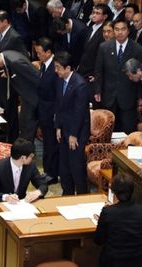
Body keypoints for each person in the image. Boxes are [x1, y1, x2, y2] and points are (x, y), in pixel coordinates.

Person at [94, 19, 142, 133]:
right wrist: (97, 90)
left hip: (128, 97)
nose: (120, 32)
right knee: (107, 131)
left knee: (127, 131)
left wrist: (140, 96)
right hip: (108, 96)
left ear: (128, 31)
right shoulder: (104, 47)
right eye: (116, 29)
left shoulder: (138, 49)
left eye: (123, 29)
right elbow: (98, 71)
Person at [0, 48, 39, 142]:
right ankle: (22, 150)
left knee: (28, 127)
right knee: (24, 124)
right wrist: (8, 72)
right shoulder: (5, 55)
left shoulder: (16, 62)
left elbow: (36, 78)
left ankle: (25, 153)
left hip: (32, 97)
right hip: (25, 96)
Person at [94, 173, 142, 267]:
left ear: (114, 192)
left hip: (114, 262)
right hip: (139, 262)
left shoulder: (108, 212)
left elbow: (98, 240)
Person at [54, 51, 90, 195]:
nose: (56, 71)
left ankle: (81, 194)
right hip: (64, 128)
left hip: (77, 131)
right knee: (64, 165)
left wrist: (74, 135)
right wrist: (58, 127)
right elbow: (59, 106)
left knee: (76, 166)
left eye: (58, 68)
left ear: (68, 68)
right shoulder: (60, 80)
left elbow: (79, 112)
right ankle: (67, 192)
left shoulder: (80, 84)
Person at [0, 138, 47, 203]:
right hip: (2, 204)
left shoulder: (31, 166)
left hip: (21, 204)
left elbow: (42, 183)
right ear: (23, 158)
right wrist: (6, 197)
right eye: (31, 156)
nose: (32, 158)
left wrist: (38, 192)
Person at [35, 38, 59, 185]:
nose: (38, 56)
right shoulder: (44, 65)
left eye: (39, 53)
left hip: (51, 113)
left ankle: (53, 173)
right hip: (43, 111)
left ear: (49, 52)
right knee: (47, 144)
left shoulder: (55, 68)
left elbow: (57, 94)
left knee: (52, 145)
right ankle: (47, 171)